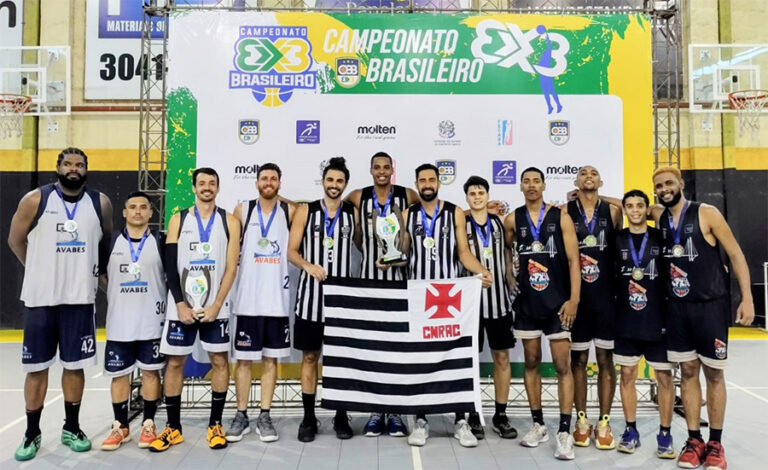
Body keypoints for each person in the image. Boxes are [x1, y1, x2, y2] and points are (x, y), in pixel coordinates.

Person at [9, 147, 113, 461]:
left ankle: (72, 427)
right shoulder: (35, 200)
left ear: (86, 169)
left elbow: (104, 244)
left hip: (80, 299)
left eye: (79, 164)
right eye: (67, 163)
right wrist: (38, 269)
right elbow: (15, 240)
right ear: (58, 167)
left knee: (74, 366)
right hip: (42, 300)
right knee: (37, 369)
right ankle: (31, 432)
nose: (73, 168)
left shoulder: (100, 203)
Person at [650, 167, 753, 470]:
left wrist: (747, 298)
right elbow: (628, 203)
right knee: (688, 372)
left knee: (714, 374)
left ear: (681, 184)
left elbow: (735, 254)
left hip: (711, 306)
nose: (665, 188)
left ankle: (716, 444)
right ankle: (694, 440)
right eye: (659, 185)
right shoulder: (660, 216)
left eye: (669, 183)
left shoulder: (705, 213)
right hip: (678, 309)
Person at [402, 163, 493, 449]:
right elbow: (403, 252)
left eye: (431, 179)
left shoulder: (454, 211)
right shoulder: (407, 214)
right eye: (422, 180)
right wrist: (387, 258)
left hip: (450, 296)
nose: (427, 183)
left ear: (439, 182)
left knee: (455, 358)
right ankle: (420, 420)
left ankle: (461, 420)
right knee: (420, 359)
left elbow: (463, 252)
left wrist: (481, 271)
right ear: (416, 183)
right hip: (419, 296)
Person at [150, 167, 241, 452]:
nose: (206, 187)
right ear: (194, 187)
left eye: (211, 183)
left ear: (218, 187)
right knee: (175, 363)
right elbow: (170, 265)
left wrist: (216, 304)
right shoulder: (179, 218)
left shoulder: (230, 221)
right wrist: (179, 304)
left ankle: (216, 424)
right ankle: (173, 428)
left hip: (216, 308)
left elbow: (231, 268)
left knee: (220, 362)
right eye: (201, 183)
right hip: (183, 307)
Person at [503, 167, 580, 461]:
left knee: (563, 365)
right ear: (521, 186)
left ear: (544, 185)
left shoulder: (560, 216)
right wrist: (510, 274)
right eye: (527, 181)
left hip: (557, 303)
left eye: (536, 180)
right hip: (527, 304)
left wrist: (573, 299)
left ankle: (564, 431)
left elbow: (574, 261)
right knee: (532, 362)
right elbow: (505, 248)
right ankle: (538, 425)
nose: (532, 185)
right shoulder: (513, 219)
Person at [344, 151, 417, 437]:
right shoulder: (358, 196)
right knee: (373, 348)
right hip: (368, 281)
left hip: (398, 280)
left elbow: (434, 205)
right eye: (377, 167)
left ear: (392, 169)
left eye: (387, 167)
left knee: (396, 348)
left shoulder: (406, 194)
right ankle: (376, 411)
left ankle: (395, 412)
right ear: (371, 170)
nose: (382, 171)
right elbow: (324, 203)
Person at [288, 157, 359, 442]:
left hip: (342, 299)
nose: (334, 185)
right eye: (330, 180)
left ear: (345, 184)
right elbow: (292, 251)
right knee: (309, 357)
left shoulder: (353, 214)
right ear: (323, 182)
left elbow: (373, 241)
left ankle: (341, 414)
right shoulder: (306, 211)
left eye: (339, 181)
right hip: (310, 298)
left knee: (340, 359)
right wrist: (308, 266)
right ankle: (308, 417)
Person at [226, 163, 295, 443]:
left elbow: (300, 211)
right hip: (247, 301)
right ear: (256, 182)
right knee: (243, 361)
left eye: (274, 179)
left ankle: (264, 415)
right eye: (264, 178)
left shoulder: (291, 212)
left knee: (270, 361)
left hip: (276, 301)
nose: (268, 182)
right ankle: (241, 414)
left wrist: (281, 199)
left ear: (280, 182)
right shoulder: (243, 210)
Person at [99, 192, 167, 451]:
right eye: (132, 207)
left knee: (151, 373)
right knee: (119, 376)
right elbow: (102, 275)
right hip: (119, 322)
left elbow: (168, 278)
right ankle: (120, 426)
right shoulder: (110, 242)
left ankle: (148, 423)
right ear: (124, 213)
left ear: (151, 213)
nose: (138, 211)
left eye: (143, 208)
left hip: (151, 321)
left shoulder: (160, 241)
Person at [612, 190, 675, 459]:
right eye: (629, 206)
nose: (635, 210)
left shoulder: (662, 237)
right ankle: (630, 430)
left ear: (647, 209)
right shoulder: (617, 239)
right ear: (624, 210)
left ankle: (665, 433)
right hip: (626, 319)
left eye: (640, 205)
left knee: (663, 377)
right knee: (627, 375)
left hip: (658, 318)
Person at [564, 165, 622, 449]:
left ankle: (604, 422)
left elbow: (632, 208)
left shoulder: (613, 212)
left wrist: (606, 196)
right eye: (583, 173)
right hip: (577, 299)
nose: (588, 176)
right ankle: (582, 420)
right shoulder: (564, 211)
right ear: (575, 181)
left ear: (601, 181)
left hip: (606, 298)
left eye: (594, 173)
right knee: (578, 361)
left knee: (605, 361)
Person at [462, 176, 517, 440]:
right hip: (470, 304)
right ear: (467, 198)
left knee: (501, 358)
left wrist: (509, 275)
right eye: (472, 193)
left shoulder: (499, 222)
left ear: (487, 195)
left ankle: (500, 414)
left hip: (498, 302)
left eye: (481, 192)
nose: (477, 197)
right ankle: (473, 413)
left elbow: (507, 252)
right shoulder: (460, 223)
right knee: (469, 361)